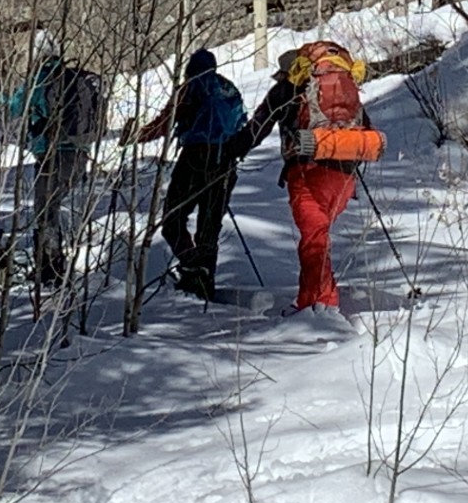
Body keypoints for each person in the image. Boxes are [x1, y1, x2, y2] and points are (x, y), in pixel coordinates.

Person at [228, 40, 377, 314]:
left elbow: (257, 129)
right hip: (345, 175)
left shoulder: (287, 90)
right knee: (315, 239)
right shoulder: (343, 92)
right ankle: (308, 302)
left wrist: (229, 151)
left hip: (308, 171)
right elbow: (365, 129)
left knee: (314, 241)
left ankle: (323, 306)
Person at [135, 48, 246, 300]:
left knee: (173, 219)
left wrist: (136, 136)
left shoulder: (190, 88)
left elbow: (165, 123)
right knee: (209, 225)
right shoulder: (228, 89)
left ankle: (192, 267)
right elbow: (243, 123)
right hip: (226, 161)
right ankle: (204, 281)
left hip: (195, 158)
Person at [5, 29, 101, 288]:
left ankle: (50, 269)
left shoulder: (40, 80)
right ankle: (53, 265)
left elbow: (14, 107)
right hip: (79, 153)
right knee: (53, 210)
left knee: (45, 212)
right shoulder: (74, 78)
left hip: (51, 155)